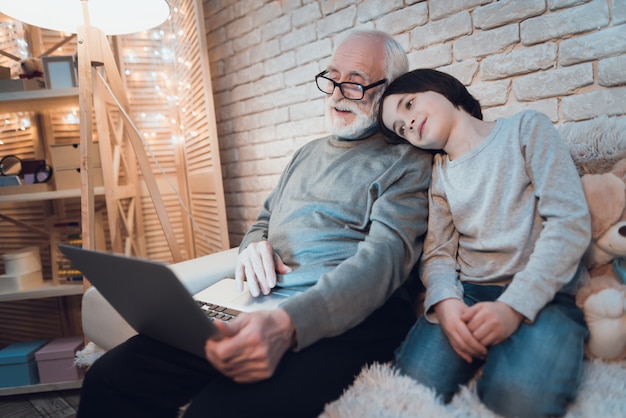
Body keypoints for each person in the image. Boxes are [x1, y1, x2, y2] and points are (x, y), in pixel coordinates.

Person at [77, 30, 432, 418]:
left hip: (348, 319)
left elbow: (383, 263)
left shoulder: (407, 160)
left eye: (356, 83)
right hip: (260, 305)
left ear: (390, 89)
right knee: (109, 378)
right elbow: (263, 220)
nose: (336, 93)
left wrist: (286, 324)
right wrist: (252, 247)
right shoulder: (306, 153)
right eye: (332, 77)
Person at [378, 69, 591, 418]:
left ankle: (511, 355)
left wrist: (513, 308)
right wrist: (446, 302)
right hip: (471, 293)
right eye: (400, 127)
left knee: (517, 400)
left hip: (543, 295)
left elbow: (569, 222)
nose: (408, 121)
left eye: (409, 103)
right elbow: (438, 254)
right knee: (411, 385)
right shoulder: (439, 174)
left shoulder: (526, 129)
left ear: (441, 88)